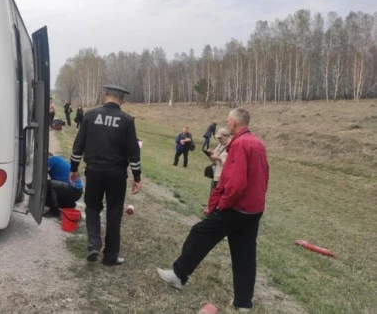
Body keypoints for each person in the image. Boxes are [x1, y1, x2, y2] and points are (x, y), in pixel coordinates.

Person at [156, 108, 269, 313]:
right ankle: (243, 303)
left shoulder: (240, 144)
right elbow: (264, 176)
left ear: (234, 123)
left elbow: (234, 183)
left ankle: (179, 275)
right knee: (245, 254)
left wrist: (221, 205)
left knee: (200, 232)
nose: (228, 123)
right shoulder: (258, 143)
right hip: (253, 209)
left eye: (228, 121)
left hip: (236, 206)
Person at [69, 84, 142, 266]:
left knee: (92, 208)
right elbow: (134, 152)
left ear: (106, 95)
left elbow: (78, 145)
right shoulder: (127, 120)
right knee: (114, 212)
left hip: (94, 171)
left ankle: (94, 243)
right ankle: (110, 256)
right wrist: (137, 177)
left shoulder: (90, 116)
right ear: (122, 100)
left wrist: (73, 168)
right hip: (117, 174)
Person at [44, 153, 84, 218]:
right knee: (52, 188)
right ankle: (68, 205)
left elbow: (42, 176)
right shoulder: (59, 159)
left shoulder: (50, 159)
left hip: (73, 190)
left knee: (47, 184)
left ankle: (54, 212)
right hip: (77, 192)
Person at [207, 128, 230, 192]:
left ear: (226, 136)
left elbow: (229, 163)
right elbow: (216, 154)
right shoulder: (220, 145)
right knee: (212, 194)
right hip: (216, 174)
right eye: (218, 138)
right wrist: (211, 153)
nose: (219, 140)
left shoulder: (231, 146)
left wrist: (219, 158)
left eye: (220, 138)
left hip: (223, 177)